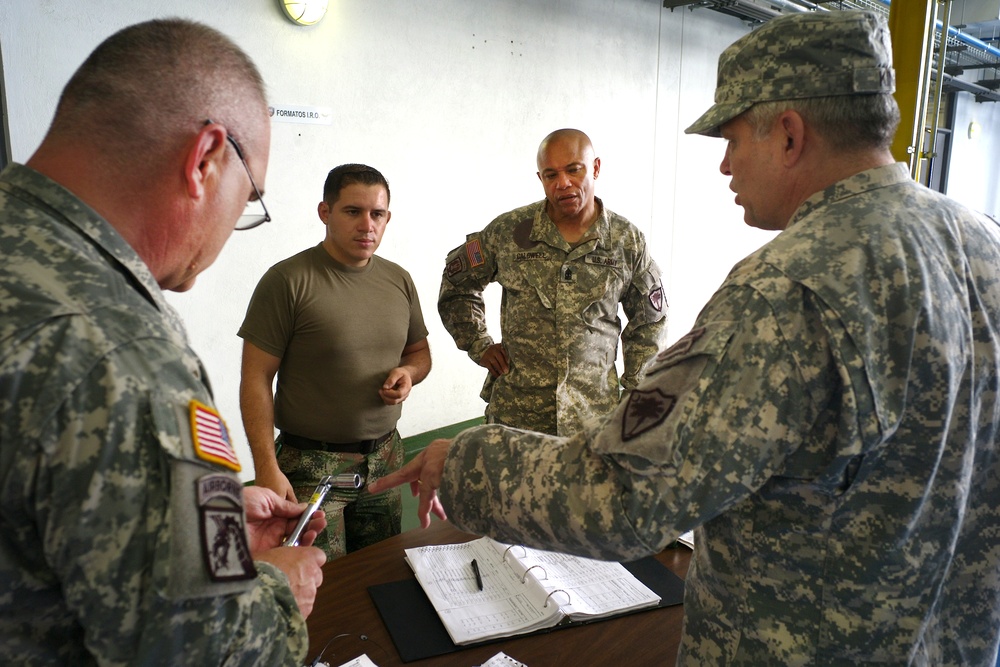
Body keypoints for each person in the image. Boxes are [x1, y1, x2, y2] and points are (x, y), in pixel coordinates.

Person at [371, 10, 1000, 665]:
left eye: (731, 138)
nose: (726, 164)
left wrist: (464, 461)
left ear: (788, 133)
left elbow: (622, 497)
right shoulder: (984, 245)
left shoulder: (787, 287)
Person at [0, 19, 330, 666]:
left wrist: (204, 526)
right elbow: (204, 649)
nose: (239, 222)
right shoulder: (115, 348)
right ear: (206, 158)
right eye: (252, 197)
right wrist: (274, 587)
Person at [239, 163, 431, 560]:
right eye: (352, 212)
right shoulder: (288, 281)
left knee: (380, 569)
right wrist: (266, 466)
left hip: (385, 457)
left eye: (377, 214)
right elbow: (255, 378)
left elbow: (419, 354)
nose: (367, 225)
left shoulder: (399, 280)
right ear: (325, 212)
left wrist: (409, 374)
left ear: (387, 218)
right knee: (317, 579)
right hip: (310, 465)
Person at [438, 128, 667, 436]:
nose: (563, 184)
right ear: (541, 179)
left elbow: (650, 323)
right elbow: (457, 284)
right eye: (551, 175)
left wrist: (637, 394)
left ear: (595, 168)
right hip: (518, 417)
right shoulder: (509, 232)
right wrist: (478, 344)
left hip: (592, 418)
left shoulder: (626, 241)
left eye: (574, 170)